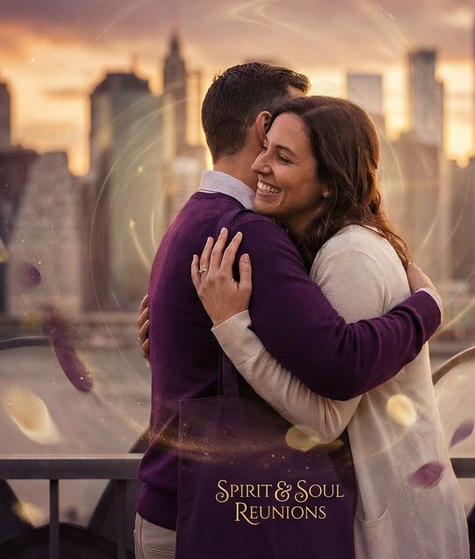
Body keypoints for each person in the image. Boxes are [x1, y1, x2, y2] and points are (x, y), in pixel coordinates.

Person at [135, 64, 445, 559]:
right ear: (263, 127)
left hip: (186, 505)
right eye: (278, 141)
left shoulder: (191, 218)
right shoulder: (247, 235)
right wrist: (425, 310)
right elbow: (340, 362)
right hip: (215, 517)